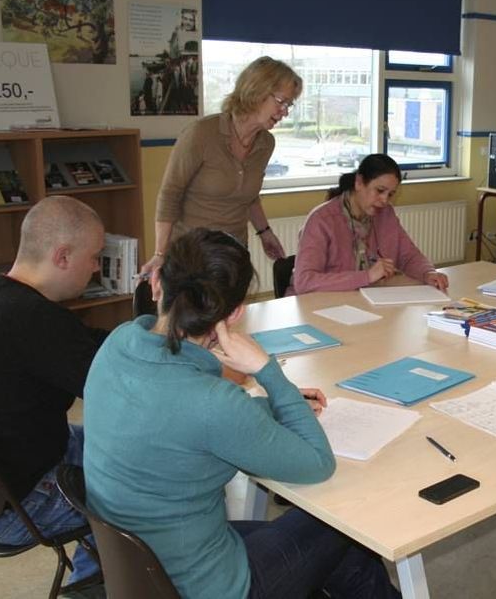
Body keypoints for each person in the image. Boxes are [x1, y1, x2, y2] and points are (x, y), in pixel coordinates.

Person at [84, 228, 399, 599]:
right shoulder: (213, 403)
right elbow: (317, 464)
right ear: (234, 313)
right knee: (347, 523)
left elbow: (181, 418)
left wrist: (276, 407)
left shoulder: (117, 343)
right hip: (208, 586)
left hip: (142, 568)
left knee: (346, 561)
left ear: (155, 283)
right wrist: (268, 372)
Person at [0, 196, 107, 590]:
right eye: (95, 256)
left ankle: (96, 569)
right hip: (20, 506)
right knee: (137, 477)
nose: (97, 267)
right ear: (62, 256)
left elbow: (83, 343)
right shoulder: (33, 320)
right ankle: (94, 583)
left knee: (105, 441)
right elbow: (116, 389)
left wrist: (142, 334)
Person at [141, 56, 298, 278]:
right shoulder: (201, 134)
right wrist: (160, 253)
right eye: (281, 102)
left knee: (233, 313)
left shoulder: (266, 143)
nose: (285, 111)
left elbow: (249, 196)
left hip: (233, 254)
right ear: (257, 91)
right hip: (191, 255)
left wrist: (265, 232)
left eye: (289, 104)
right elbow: (170, 194)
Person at [292, 153, 449, 294]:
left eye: (391, 194)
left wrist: (428, 273)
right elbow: (304, 281)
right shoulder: (322, 220)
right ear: (359, 182)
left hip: (366, 300)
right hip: (324, 305)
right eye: (380, 191)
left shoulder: (386, 214)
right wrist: (367, 276)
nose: (385, 200)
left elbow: (408, 256)